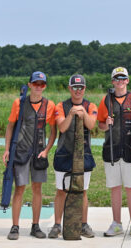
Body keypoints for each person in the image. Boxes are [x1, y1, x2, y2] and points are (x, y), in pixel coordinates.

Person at [2, 71, 57, 240]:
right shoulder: (19, 103)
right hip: (20, 152)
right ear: (30, 84)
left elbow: (53, 132)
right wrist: (7, 150)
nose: (38, 87)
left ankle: (35, 226)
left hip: (39, 154)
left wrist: (46, 150)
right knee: (19, 188)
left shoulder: (50, 105)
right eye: (36, 84)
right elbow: (10, 127)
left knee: (37, 189)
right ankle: (15, 226)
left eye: (42, 84)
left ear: (45, 86)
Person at [97, 67, 131, 238]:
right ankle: (116, 223)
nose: (120, 81)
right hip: (111, 151)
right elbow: (100, 125)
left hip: (130, 152)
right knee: (115, 188)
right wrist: (106, 123)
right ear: (112, 81)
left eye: (122, 78)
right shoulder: (106, 100)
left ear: (127, 80)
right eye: (116, 78)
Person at [48, 74, 97, 238]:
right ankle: (57, 225)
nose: (78, 90)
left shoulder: (90, 106)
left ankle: (83, 224)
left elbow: (91, 125)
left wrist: (83, 113)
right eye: (75, 87)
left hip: (84, 155)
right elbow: (61, 127)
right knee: (61, 190)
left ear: (85, 89)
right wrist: (71, 114)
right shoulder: (61, 106)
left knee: (82, 190)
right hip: (64, 154)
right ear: (69, 88)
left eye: (81, 87)